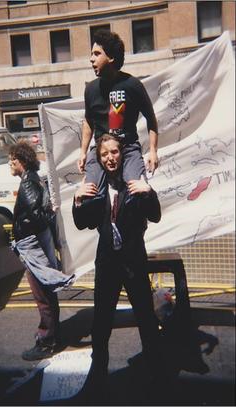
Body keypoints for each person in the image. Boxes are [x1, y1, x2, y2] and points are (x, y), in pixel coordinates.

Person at [73, 134, 162, 393]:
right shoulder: (96, 189)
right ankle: (97, 372)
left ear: (121, 154)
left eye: (114, 152)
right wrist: (78, 199)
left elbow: (155, 216)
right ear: (98, 159)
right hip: (108, 263)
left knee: (146, 317)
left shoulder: (132, 183)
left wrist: (149, 192)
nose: (110, 158)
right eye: (104, 154)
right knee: (101, 322)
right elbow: (83, 222)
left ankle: (156, 370)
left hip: (134, 261)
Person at [9, 141, 75, 361]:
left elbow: (36, 216)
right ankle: (54, 334)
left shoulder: (28, 184)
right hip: (39, 242)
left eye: (13, 160)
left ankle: (47, 341)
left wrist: (21, 229)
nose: (11, 164)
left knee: (41, 294)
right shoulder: (33, 180)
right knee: (46, 291)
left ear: (23, 162)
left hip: (33, 246)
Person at [77, 30, 158, 201]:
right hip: (100, 151)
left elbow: (151, 119)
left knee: (136, 192)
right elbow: (88, 122)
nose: (91, 59)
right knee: (90, 196)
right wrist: (83, 152)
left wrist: (153, 151)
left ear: (111, 57)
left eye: (97, 54)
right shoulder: (90, 89)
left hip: (127, 148)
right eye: (91, 54)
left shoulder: (133, 85)